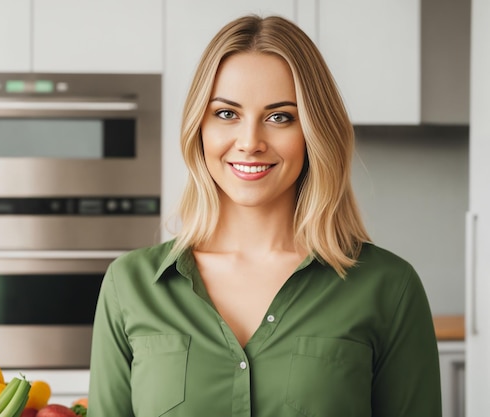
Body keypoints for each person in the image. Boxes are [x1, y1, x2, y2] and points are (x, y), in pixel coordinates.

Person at [87, 14, 442, 417]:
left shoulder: (389, 288)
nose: (250, 142)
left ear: (314, 132)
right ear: (198, 127)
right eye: (226, 113)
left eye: (280, 117)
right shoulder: (129, 286)